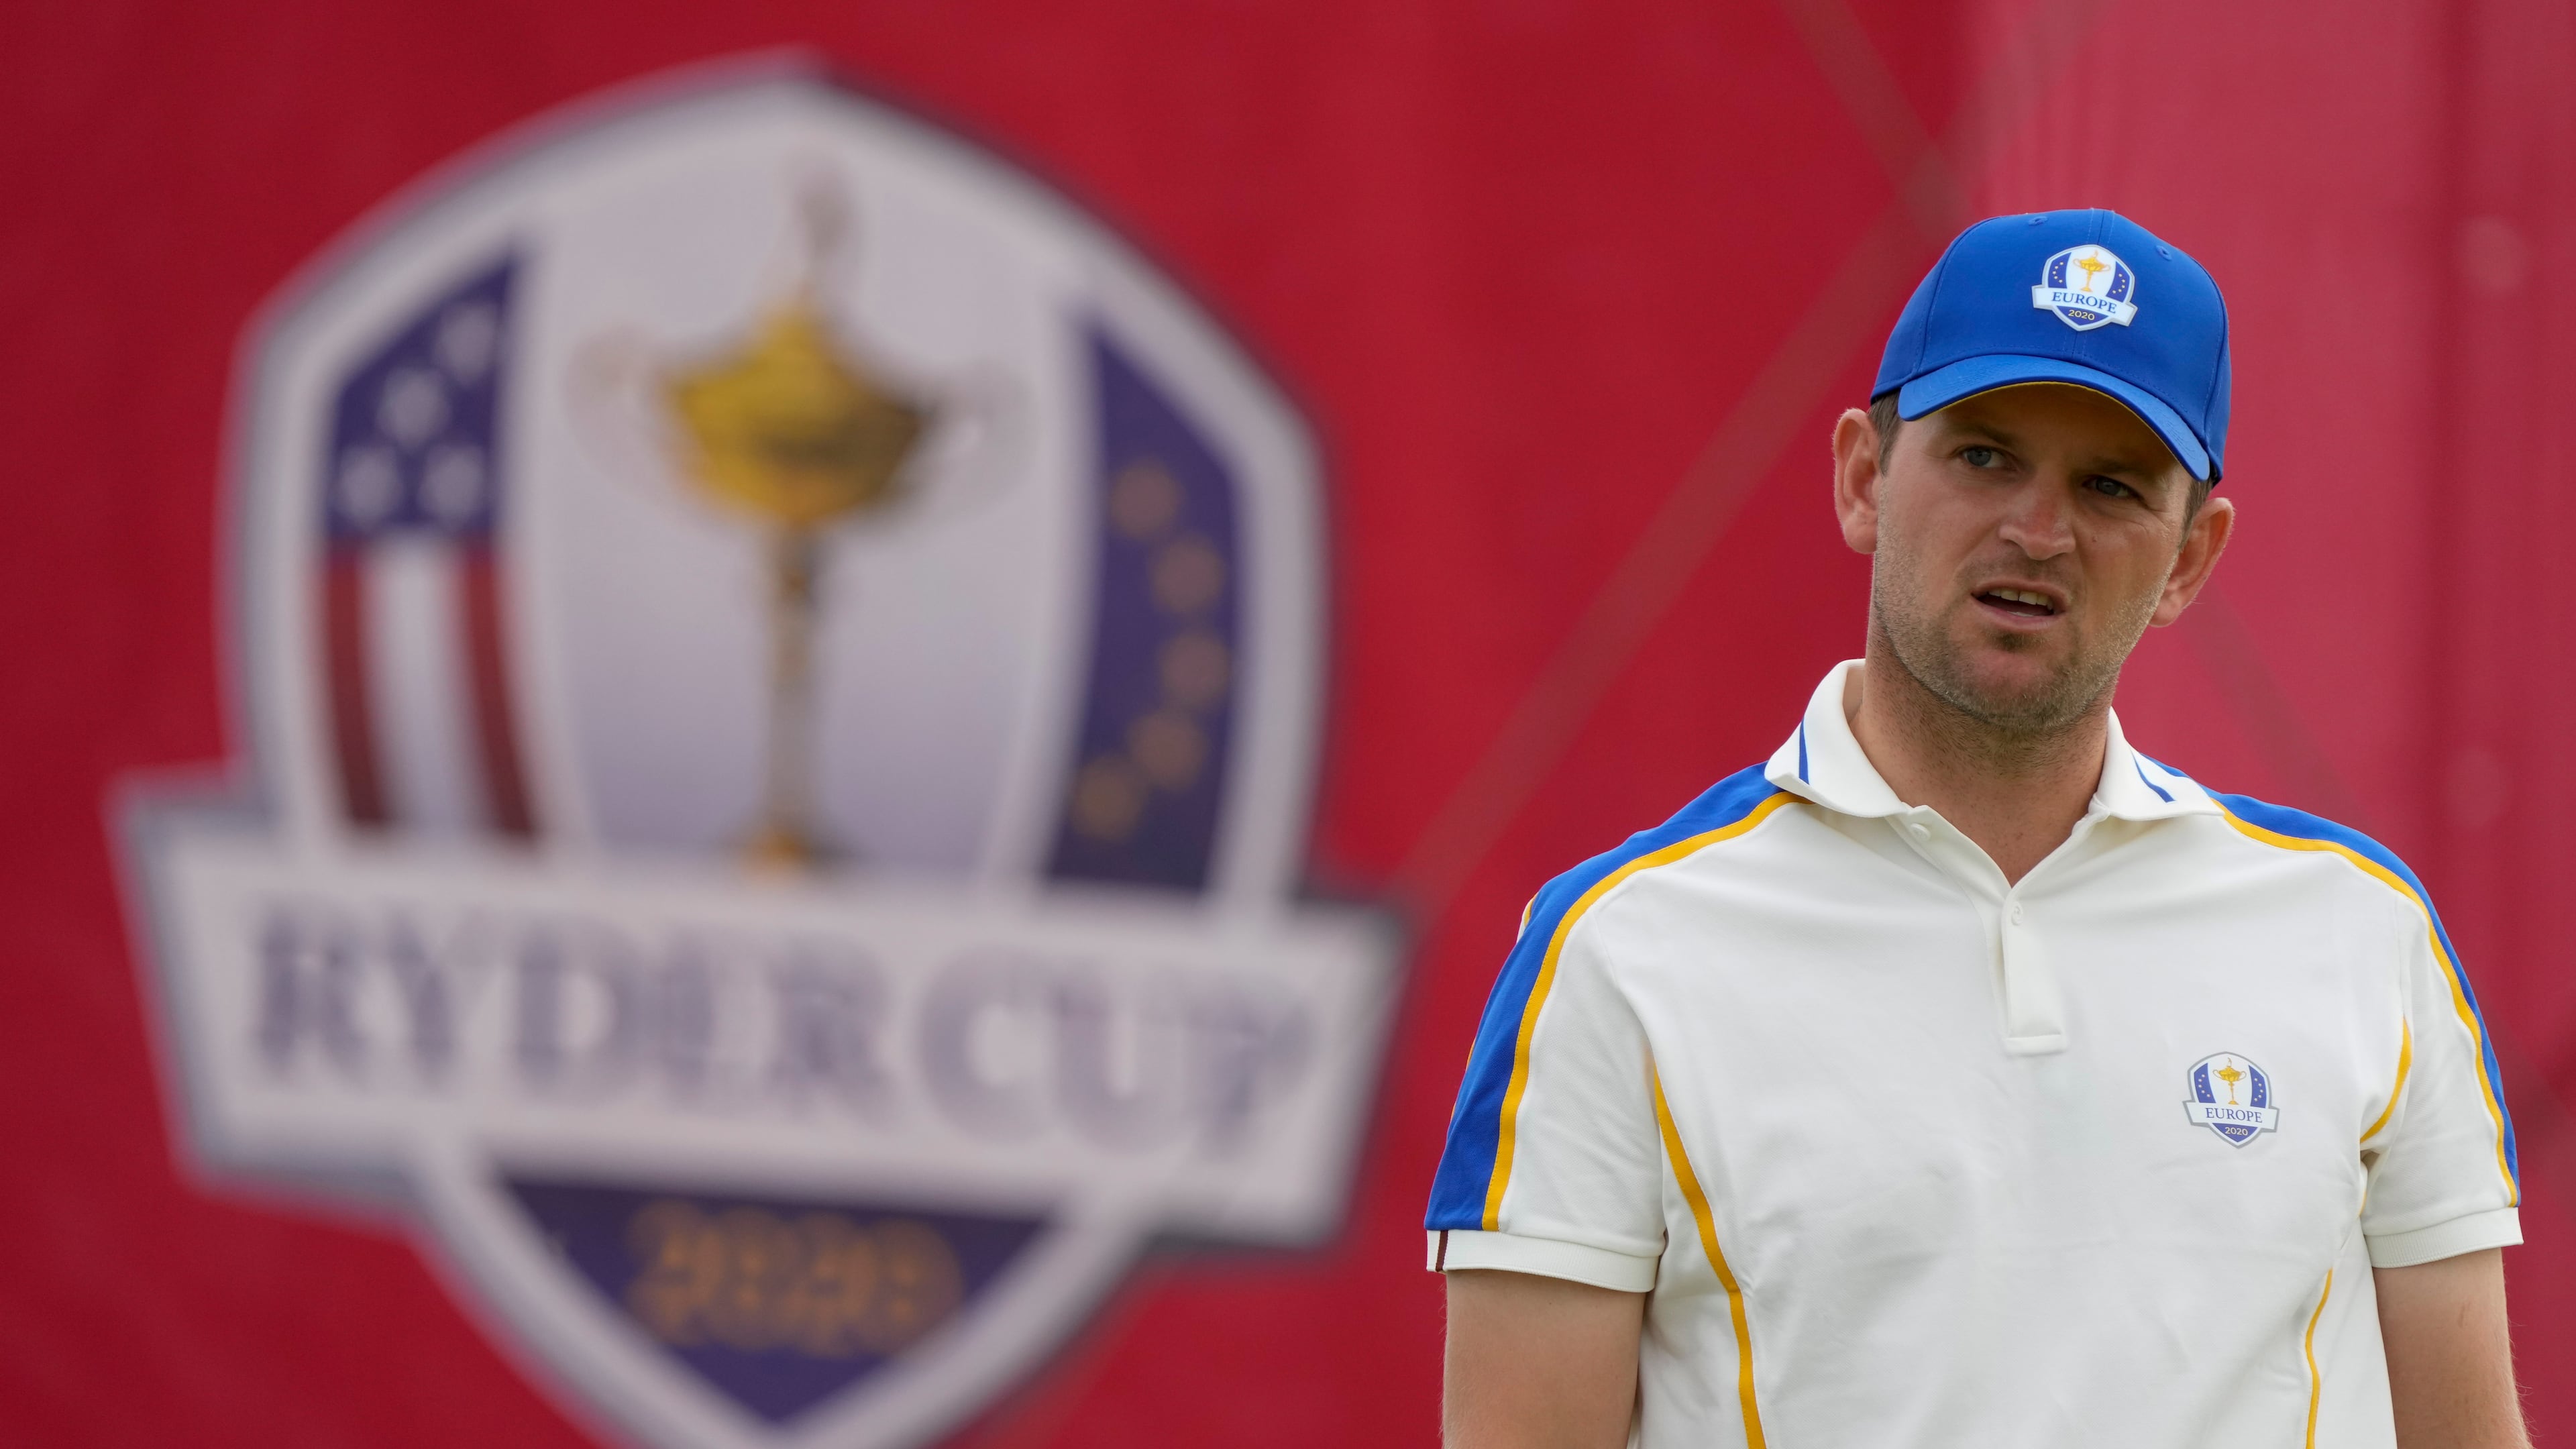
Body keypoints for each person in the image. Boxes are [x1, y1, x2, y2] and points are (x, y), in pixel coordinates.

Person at [1426, 210, 2527, 1448]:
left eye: (2111, 485)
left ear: (2190, 561)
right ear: (1862, 480)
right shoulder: (1618, 951)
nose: (2038, 530)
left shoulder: (2364, 936)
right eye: (1986, 457)